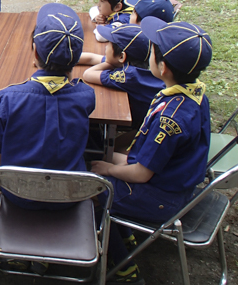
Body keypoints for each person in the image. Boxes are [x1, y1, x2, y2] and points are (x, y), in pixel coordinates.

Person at [91, 17, 212, 284]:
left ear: (163, 67)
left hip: (162, 196)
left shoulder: (171, 119)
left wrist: (109, 169)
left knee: (92, 191)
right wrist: (110, 160)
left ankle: (122, 266)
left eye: (153, 50)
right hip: (172, 179)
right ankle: (124, 229)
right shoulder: (194, 93)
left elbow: (142, 173)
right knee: (97, 157)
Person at [0, 3, 95, 214]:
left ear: (34, 51)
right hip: (69, 196)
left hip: (18, 194)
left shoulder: (8, 98)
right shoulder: (86, 96)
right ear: (77, 59)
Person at [79, 24, 164, 131]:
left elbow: (88, 74)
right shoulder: (136, 65)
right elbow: (91, 58)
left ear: (122, 56)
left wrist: (109, 63)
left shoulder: (129, 76)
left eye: (109, 44)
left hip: (143, 128)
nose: (106, 47)